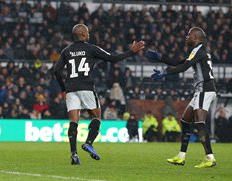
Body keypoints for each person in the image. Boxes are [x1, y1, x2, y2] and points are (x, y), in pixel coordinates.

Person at [54, 24, 145, 165]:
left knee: (73, 121)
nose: (89, 35)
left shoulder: (66, 50)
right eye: (88, 32)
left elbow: (56, 70)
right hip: (86, 87)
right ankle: (89, 143)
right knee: (96, 117)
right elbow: (113, 58)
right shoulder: (91, 48)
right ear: (83, 34)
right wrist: (131, 52)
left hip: (71, 88)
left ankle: (74, 154)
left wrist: (63, 88)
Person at [146, 27, 217, 168]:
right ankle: (181, 156)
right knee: (185, 121)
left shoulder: (199, 50)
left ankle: (209, 157)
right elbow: (179, 63)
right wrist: (161, 58)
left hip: (205, 89)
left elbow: (184, 67)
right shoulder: (198, 51)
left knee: (199, 123)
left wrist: (165, 73)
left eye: (189, 35)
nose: (186, 37)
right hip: (200, 90)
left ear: (196, 37)